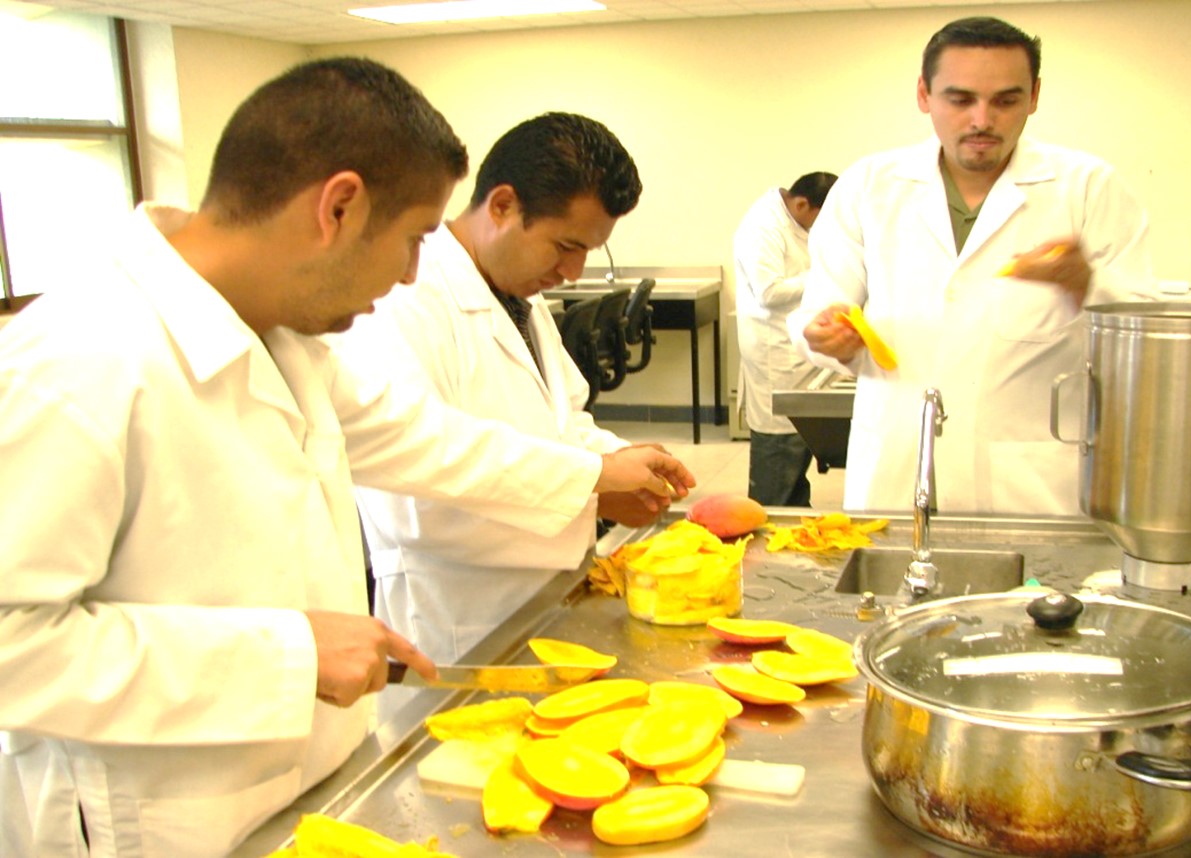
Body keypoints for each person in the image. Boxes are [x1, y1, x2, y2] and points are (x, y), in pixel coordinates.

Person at [0, 58, 692, 857]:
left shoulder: (282, 337)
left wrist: (590, 474)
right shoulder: (76, 365)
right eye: (410, 241)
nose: (407, 275)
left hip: (303, 779)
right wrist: (287, 655)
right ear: (338, 207)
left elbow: (425, 439)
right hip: (160, 821)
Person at [789, 16, 1159, 516]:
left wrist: (1089, 283)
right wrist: (824, 337)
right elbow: (821, 310)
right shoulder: (868, 187)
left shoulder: (1087, 188)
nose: (982, 119)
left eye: (1006, 100)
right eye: (960, 99)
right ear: (924, 94)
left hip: (1031, 487)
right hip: (897, 470)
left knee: (1032, 594)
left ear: (1034, 97)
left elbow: (1145, 330)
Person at [334, 112, 669, 663]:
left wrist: (619, 457)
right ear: (503, 206)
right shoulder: (402, 302)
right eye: (564, 245)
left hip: (547, 600)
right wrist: (593, 486)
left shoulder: (519, 290)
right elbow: (413, 500)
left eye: (587, 249)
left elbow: (564, 422)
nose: (574, 271)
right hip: (459, 625)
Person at [734, 171, 838, 507]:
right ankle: (770, 531)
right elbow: (769, 291)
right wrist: (823, 277)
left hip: (792, 349)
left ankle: (795, 514)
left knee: (796, 455)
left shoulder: (794, 220)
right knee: (777, 454)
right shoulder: (763, 228)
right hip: (773, 352)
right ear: (803, 203)